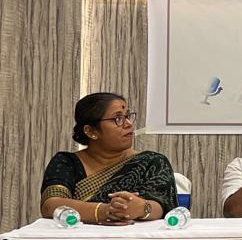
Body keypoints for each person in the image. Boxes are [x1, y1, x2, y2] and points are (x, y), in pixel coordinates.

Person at [39, 92, 177, 225]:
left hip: (135, 237)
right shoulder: (66, 162)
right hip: (77, 238)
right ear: (91, 131)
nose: (129, 124)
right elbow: (50, 206)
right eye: (118, 119)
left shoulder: (152, 162)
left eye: (128, 116)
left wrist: (142, 208)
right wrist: (103, 211)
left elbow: (164, 205)